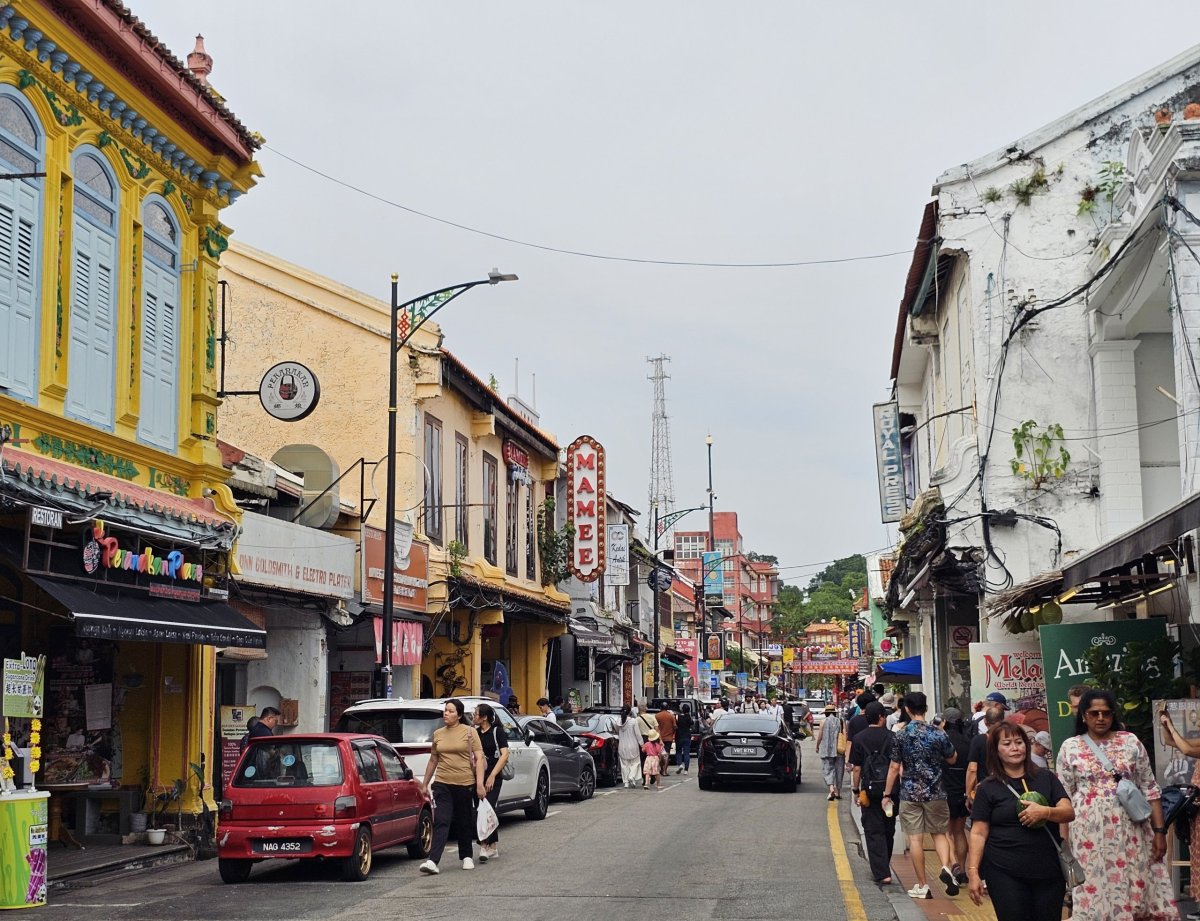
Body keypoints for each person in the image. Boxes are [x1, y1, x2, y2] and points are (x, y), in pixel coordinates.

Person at [1057, 689, 1174, 921]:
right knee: (1092, 890)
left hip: (1131, 831)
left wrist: (1160, 832)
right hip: (1087, 835)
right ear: (1083, 716)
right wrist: (1064, 844)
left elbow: (1150, 788)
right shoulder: (1070, 747)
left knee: (1134, 886)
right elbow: (1063, 798)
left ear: (1113, 715)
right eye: (1094, 713)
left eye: (1106, 713)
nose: (1100, 718)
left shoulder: (1130, 742)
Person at [966, 721, 1075, 921]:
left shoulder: (1046, 778)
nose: (1015, 748)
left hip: (1048, 870)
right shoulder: (987, 788)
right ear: (995, 750)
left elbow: (1068, 811)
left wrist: (1046, 812)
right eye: (1007, 744)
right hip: (1003, 870)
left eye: (1019, 742)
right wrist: (973, 872)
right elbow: (978, 832)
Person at [883, 691, 959, 901]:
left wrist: (887, 794)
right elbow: (953, 759)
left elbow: (894, 766)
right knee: (940, 833)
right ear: (926, 708)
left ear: (906, 709)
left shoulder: (901, 734)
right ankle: (945, 867)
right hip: (936, 792)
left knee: (915, 839)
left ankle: (923, 885)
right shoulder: (938, 733)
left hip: (910, 793)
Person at [418, 699, 486, 875]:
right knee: (441, 820)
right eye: (445, 710)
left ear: (459, 715)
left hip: (465, 783)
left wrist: (479, 784)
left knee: (464, 821)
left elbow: (479, 759)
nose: (446, 714)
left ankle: (466, 856)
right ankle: (433, 861)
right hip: (442, 783)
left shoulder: (470, 732)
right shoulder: (438, 734)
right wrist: (425, 783)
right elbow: (434, 759)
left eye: (450, 711)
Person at [849, 702, 897, 885]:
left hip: (868, 791)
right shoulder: (893, 737)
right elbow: (897, 766)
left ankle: (882, 872)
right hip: (891, 791)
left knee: (872, 830)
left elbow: (856, 769)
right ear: (882, 717)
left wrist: (855, 790)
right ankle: (885, 864)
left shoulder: (859, 738)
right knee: (888, 828)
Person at [1159, 706, 1200, 913]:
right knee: (1197, 855)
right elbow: (1170, 742)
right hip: (1196, 810)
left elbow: (1186, 750)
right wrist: (1165, 723)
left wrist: (1172, 728)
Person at [941, 708, 974, 888]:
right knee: (960, 831)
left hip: (944, 792)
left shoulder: (942, 740)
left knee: (945, 832)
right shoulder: (968, 741)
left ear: (945, 721)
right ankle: (962, 869)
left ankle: (951, 867)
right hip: (963, 791)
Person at [472, 703, 509, 862]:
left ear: (484, 717)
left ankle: (483, 846)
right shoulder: (474, 733)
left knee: (485, 809)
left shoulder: (497, 732)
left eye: (476, 714)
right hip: (477, 778)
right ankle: (493, 846)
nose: (473, 716)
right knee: (484, 809)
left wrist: (493, 775)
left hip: (494, 778)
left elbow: (504, 755)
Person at [966, 705, 1004, 805]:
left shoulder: (979, 740)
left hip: (985, 789)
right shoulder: (1009, 739)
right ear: (1002, 721)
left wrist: (968, 793)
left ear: (986, 722)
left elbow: (972, 769)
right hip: (1007, 787)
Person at [815, 704, 846, 801]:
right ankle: (838, 793)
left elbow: (820, 735)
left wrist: (817, 745)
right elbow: (845, 734)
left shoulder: (823, 721)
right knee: (839, 770)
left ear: (826, 713)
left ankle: (831, 789)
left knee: (827, 769)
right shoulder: (840, 721)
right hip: (839, 749)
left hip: (827, 749)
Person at [615, 705, 644, 788]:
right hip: (633, 745)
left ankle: (626, 782)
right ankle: (632, 777)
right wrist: (642, 745)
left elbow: (617, 731)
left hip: (622, 745)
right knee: (635, 763)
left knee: (624, 765)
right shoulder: (633, 721)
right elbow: (638, 735)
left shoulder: (618, 722)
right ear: (629, 712)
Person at [674, 704, 694, 775]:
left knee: (678, 752)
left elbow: (675, 725)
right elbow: (692, 723)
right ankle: (686, 770)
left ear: (682, 709)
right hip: (687, 736)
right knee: (686, 753)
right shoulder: (689, 717)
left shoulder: (678, 717)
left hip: (679, 736)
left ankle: (680, 765)